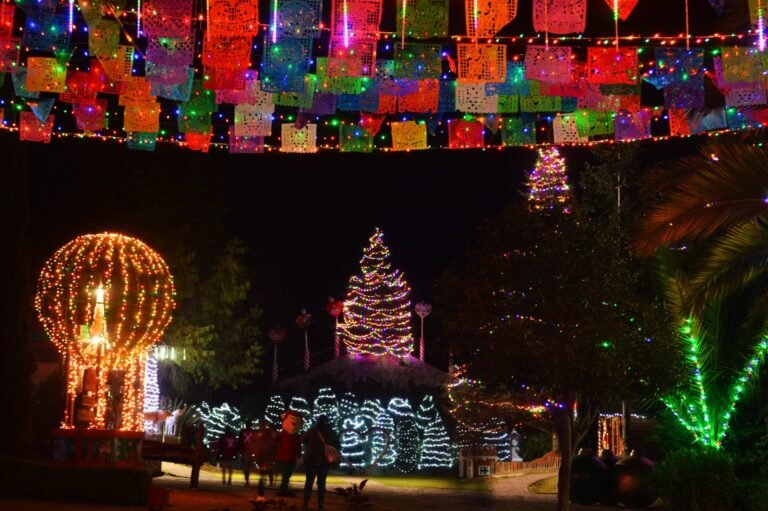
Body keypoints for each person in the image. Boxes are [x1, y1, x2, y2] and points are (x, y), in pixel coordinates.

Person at [302, 415, 340, 510]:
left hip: (311, 461)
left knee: (309, 483)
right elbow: (338, 446)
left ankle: (306, 502)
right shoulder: (331, 432)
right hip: (324, 462)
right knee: (322, 484)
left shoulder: (312, 431)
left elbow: (303, 440)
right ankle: (320, 504)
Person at [274, 410, 303, 497]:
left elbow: (298, 447)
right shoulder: (282, 434)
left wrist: (299, 456)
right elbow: (275, 441)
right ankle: (283, 490)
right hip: (283, 458)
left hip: (291, 459)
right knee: (286, 475)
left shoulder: (297, 436)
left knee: (287, 475)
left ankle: (283, 489)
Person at [252, 420, 278, 495]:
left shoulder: (265, 436)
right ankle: (264, 486)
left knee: (267, 471)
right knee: (266, 471)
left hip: (266, 457)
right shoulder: (266, 436)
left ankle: (266, 484)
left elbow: (271, 446)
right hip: (265, 457)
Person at [239, 421, 256, 486]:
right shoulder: (252, 432)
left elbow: (240, 442)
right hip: (249, 451)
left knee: (246, 466)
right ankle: (247, 480)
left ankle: (247, 480)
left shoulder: (242, 432)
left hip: (245, 451)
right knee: (248, 466)